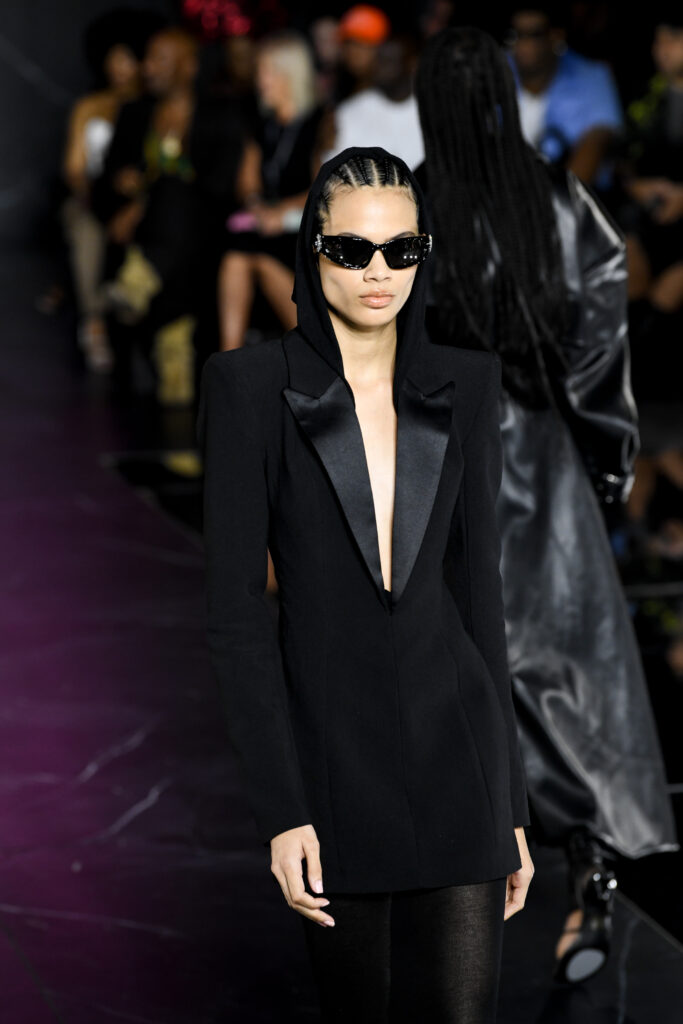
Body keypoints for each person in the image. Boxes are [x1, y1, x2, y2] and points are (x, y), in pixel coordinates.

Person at [197, 146, 534, 1022]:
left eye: (401, 250)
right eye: (353, 250)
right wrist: (280, 811)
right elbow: (235, 620)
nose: (379, 272)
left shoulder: (466, 383)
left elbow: (481, 601)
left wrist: (510, 804)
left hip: (458, 763)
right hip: (331, 768)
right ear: (313, 250)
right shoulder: (248, 388)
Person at [414, 25, 679, 985]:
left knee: (454, 675)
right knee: (572, 675)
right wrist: (606, 461)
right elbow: (599, 339)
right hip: (544, 460)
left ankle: (454, 881)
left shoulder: (410, 204)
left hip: (439, 463)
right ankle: (590, 872)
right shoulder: (556, 202)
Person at [92, 26, 244, 403]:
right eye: (148, 59)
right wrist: (123, 184)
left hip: (203, 229)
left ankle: (138, 284)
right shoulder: (134, 113)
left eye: (160, 59)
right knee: (170, 205)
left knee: (176, 194)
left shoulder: (219, 114)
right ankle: (173, 346)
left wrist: (148, 199)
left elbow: (221, 188)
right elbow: (108, 177)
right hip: (151, 234)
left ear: (189, 66)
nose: (148, 68)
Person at [60, 9, 157, 372]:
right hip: (94, 194)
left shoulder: (153, 107)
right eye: (112, 59)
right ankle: (94, 320)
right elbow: (74, 168)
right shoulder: (90, 106)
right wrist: (92, 192)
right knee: (85, 225)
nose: (119, 68)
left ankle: (137, 317)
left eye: (127, 59)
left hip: (138, 197)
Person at [217, 31, 325, 350]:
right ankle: (230, 356)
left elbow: (324, 186)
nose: (261, 80)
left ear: (290, 74)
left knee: (260, 257)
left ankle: (315, 348)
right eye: (260, 72)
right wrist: (256, 206)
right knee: (236, 253)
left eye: (268, 72)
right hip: (265, 225)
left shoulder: (320, 122)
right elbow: (247, 182)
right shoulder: (263, 125)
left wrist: (279, 212)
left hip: (303, 226)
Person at [505, 2, 623, 190]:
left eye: (534, 34)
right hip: (499, 195)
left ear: (555, 36)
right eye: (516, 35)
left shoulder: (592, 77)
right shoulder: (493, 71)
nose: (523, 44)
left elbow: (596, 144)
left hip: (568, 198)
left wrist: (554, 201)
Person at [322, 34, 425, 171]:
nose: (379, 68)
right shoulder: (349, 112)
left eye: (389, 61)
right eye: (378, 60)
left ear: (411, 64)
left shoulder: (430, 110)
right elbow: (332, 171)